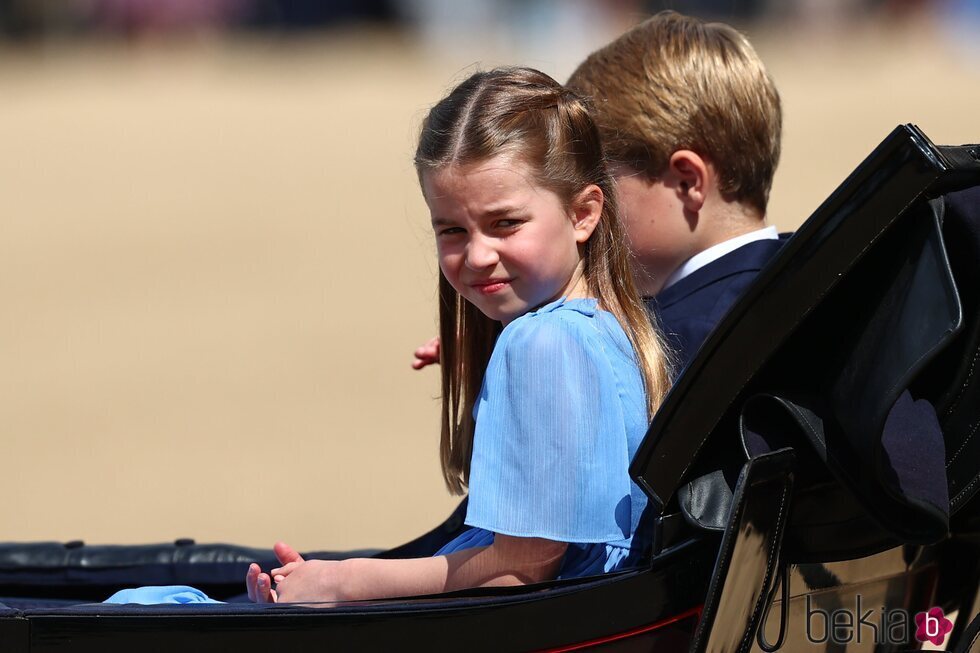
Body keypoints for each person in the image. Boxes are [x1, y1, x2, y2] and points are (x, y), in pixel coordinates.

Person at [238, 67, 672, 604]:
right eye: (452, 230)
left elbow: (522, 566)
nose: (478, 255)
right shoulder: (608, 327)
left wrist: (340, 581)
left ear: (583, 214)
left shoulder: (541, 344)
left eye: (506, 223)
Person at [412, 11, 784, 373]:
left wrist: (540, 362)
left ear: (686, 181)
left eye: (599, 179)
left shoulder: (694, 346)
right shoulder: (806, 282)